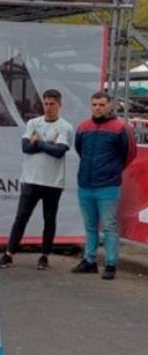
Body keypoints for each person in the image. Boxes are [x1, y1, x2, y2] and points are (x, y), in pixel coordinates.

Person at [0, 89, 73, 271]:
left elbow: (59, 151)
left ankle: (44, 256)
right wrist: (48, 144)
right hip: (30, 180)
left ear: (59, 105)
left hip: (53, 182)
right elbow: (25, 147)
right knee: (21, 218)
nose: (48, 108)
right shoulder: (33, 123)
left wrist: (38, 143)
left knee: (49, 219)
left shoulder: (65, 127)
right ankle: (9, 254)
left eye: (52, 104)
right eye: (45, 104)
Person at [72, 91, 136, 280]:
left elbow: (129, 153)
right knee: (90, 226)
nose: (97, 108)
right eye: (94, 104)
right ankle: (89, 261)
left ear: (110, 105)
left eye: (101, 104)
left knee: (109, 226)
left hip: (108, 186)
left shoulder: (120, 128)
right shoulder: (83, 127)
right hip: (85, 184)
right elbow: (79, 149)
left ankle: (110, 263)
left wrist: (113, 171)